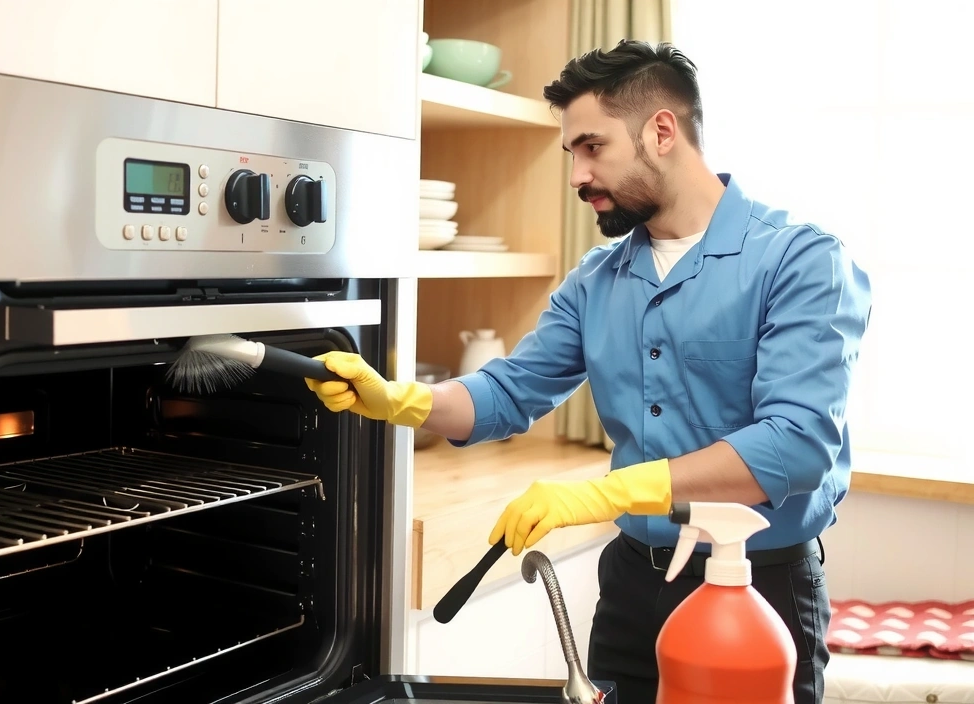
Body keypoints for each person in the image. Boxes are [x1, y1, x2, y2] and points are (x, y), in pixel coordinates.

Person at [305, 39, 872, 704]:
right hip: (634, 588)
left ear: (661, 131)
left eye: (591, 147)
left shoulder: (800, 261)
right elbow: (508, 391)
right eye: (569, 153)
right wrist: (404, 401)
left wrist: (607, 494)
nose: (576, 174)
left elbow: (796, 446)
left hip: (759, 592)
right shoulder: (598, 280)